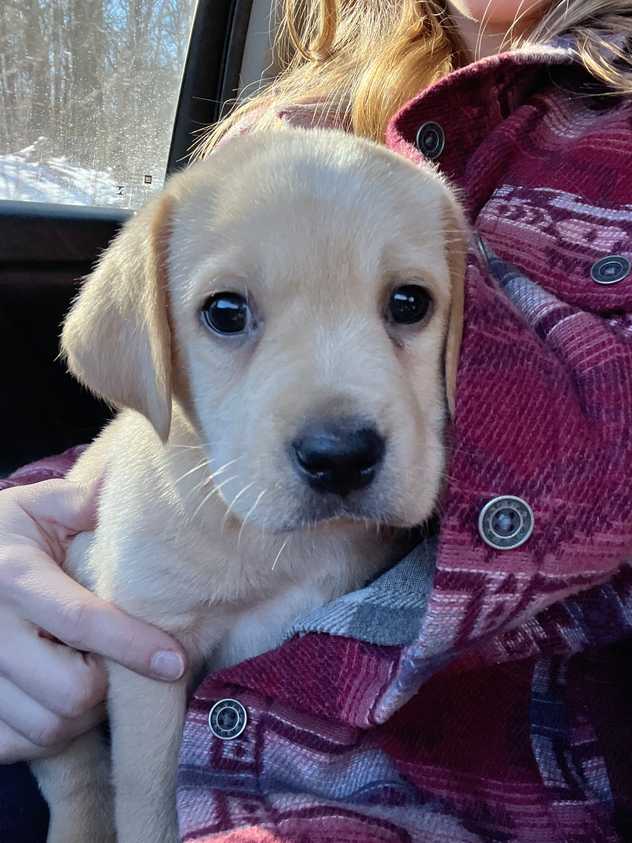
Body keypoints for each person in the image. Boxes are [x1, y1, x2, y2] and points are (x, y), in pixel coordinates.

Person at [2, 0, 631, 840]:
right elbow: (147, 444)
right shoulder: (274, 128)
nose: (335, 422)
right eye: (230, 311)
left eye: (408, 304)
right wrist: (22, 528)